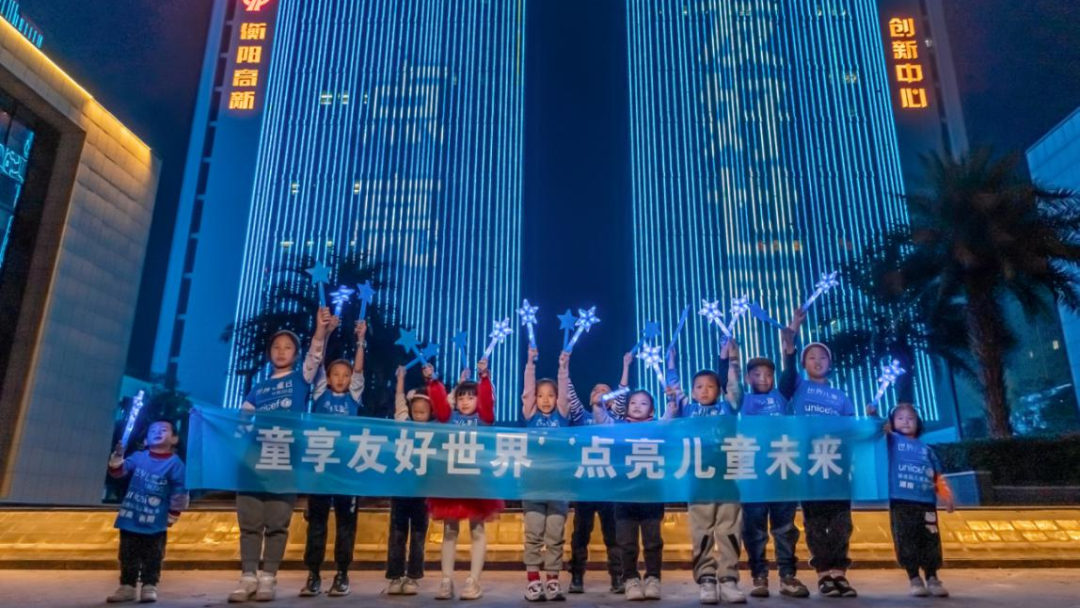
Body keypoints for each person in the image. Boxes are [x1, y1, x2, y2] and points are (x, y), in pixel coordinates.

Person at [229, 307, 330, 603]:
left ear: (296, 355)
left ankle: (268, 578)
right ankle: (248, 577)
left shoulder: (300, 380)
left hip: (284, 461)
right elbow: (241, 423)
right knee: (249, 523)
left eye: (288, 347)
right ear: (269, 352)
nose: (281, 351)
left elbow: (315, 355)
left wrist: (320, 330)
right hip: (252, 462)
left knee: (277, 523)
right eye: (276, 346)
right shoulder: (258, 389)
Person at [779, 308, 858, 598]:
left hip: (836, 466)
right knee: (814, 521)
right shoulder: (798, 386)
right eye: (811, 357)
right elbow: (787, 372)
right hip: (809, 465)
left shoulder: (841, 397)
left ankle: (840, 574)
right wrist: (793, 331)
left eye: (822, 357)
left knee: (841, 522)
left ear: (830, 363)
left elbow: (852, 430)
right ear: (804, 363)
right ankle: (824, 574)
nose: (817, 360)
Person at [727, 340, 810, 599]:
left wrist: (789, 349)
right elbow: (731, 384)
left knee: (785, 529)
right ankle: (759, 576)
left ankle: (787, 576)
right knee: (754, 530)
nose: (763, 378)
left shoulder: (781, 396)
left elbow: (790, 374)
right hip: (752, 476)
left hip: (783, 472)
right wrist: (733, 360)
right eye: (757, 374)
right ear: (749, 378)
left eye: (767, 374)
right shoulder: (743, 400)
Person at [663, 344, 745, 605]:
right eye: (699, 386)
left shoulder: (728, 408)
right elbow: (673, 387)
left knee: (729, 529)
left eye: (710, 386)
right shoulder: (687, 410)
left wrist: (733, 359)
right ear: (693, 391)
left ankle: (729, 579)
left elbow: (735, 387)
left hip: (727, 479)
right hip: (698, 482)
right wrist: (671, 363)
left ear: (719, 390)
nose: (704, 390)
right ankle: (707, 579)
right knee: (702, 531)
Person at [427, 359, 505, 600]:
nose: (465, 401)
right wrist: (433, 381)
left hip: (476, 483)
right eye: (461, 397)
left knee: (477, 530)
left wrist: (484, 378)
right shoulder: (449, 418)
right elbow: (439, 404)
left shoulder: (483, 419)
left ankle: (474, 581)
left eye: (471, 397)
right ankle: (446, 580)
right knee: (449, 531)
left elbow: (488, 403)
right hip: (451, 483)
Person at [300, 318, 366, 597]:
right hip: (320, 471)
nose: (340, 378)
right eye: (335, 374)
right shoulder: (319, 395)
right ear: (327, 378)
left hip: (347, 472)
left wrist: (360, 340)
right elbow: (317, 364)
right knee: (316, 524)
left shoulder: (353, 398)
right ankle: (313, 574)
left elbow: (359, 369)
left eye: (345, 375)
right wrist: (325, 334)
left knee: (345, 524)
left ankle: (342, 573)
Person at [564, 352, 631, 594]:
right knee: (580, 535)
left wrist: (625, 365)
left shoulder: (615, 418)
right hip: (585, 487)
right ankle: (576, 576)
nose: (600, 392)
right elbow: (569, 391)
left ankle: (617, 577)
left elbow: (622, 392)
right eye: (595, 390)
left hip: (610, 488)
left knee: (613, 536)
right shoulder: (580, 417)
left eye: (605, 390)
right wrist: (564, 366)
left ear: (612, 400)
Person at [106, 420, 189, 604]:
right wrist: (118, 455)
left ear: (174, 439)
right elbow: (118, 472)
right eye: (153, 430)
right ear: (145, 440)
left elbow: (180, 491)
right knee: (127, 553)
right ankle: (127, 586)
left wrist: (173, 515)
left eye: (164, 430)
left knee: (154, 555)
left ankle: (149, 585)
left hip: (156, 521)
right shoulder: (138, 457)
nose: (158, 432)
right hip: (130, 517)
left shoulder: (176, 464)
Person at [595, 390, 664, 601]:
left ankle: (653, 578)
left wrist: (672, 403)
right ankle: (631, 579)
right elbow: (602, 420)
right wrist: (598, 406)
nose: (637, 406)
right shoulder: (618, 427)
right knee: (626, 543)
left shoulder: (658, 428)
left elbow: (671, 418)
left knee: (653, 541)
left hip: (651, 495)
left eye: (643, 403)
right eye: (633, 402)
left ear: (652, 410)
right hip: (624, 496)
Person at [886, 403, 954, 598]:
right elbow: (878, 428)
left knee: (930, 540)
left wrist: (946, 496)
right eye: (900, 418)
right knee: (906, 539)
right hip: (901, 501)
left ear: (918, 423)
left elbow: (937, 476)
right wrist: (874, 414)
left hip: (926, 503)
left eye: (910, 418)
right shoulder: (891, 442)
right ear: (892, 422)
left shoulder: (927, 449)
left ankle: (932, 577)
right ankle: (914, 578)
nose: (905, 421)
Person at [521, 348, 572, 601]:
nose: (545, 399)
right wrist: (530, 363)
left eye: (550, 395)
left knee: (555, 536)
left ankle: (552, 580)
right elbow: (527, 392)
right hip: (532, 486)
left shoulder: (562, 417)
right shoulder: (531, 416)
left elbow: (565, 395)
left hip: (558, 487)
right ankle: (533, 581)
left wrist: (563, 368)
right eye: (540, 395)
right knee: (533, 536)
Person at [384, 365, 434, 596]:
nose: (419, 414)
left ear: (430, 412)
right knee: (397, 533)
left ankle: (413, 577)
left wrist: (433, 380)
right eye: (416, 410)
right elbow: (399, 402)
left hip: (422, 491)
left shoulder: (435, 430)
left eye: (423, 411)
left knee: (418, 536)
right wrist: (401, 379)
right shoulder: (404, 423)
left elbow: (448, 402)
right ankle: (395, 576)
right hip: (401, 489)